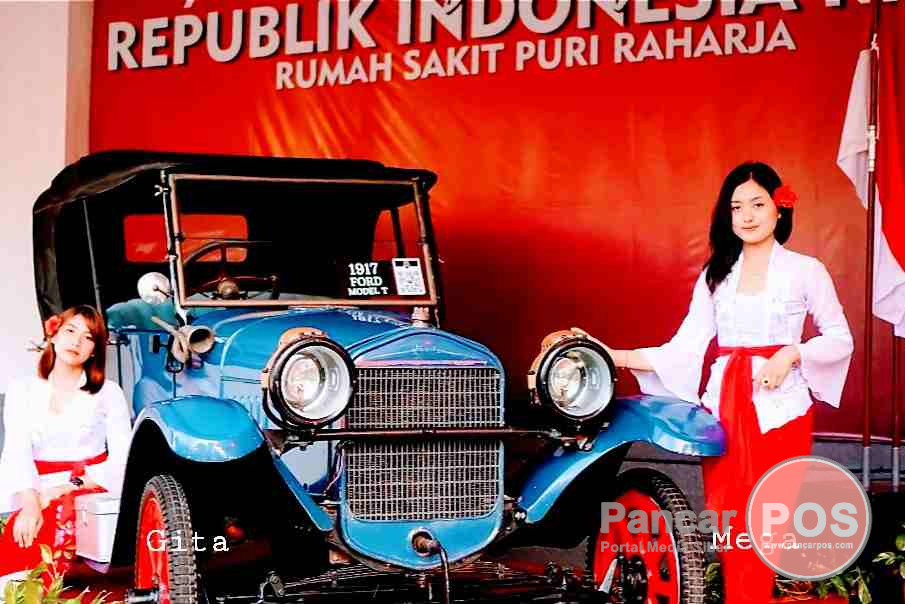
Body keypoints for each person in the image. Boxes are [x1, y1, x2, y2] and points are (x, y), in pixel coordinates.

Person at [604, 162, 854, 604]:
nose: (747, 215)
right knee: (730, 523)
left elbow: (840, 338)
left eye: (757, 204)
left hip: (781, 412)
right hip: (724, 411)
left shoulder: (805, 270)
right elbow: (684, 348)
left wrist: (791, 353)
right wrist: (612, 355)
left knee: (772, 521)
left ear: (779, 208)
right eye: (737, 207)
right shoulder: (716, 275)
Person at [0, 305, 131, 586]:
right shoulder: (22, 389)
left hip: (92, 484)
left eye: (88, 337)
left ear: (94, 350)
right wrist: (31, 504)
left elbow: (123, 459)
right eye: (70, 331)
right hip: (35, 488)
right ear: (54, 335)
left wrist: (63, 489)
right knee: (22, 532)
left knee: (52, 520)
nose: (77, 342)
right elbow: (16, 451)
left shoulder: (109, 393)